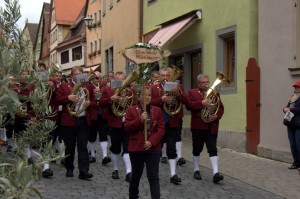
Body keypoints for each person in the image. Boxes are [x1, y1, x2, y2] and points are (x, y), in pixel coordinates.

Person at [125, 86, 165, 199]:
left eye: (149, 95)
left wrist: (152, 142)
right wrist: (139, 120)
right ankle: (133, 196)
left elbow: (161, 129)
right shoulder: (131, 110)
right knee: (136, 175)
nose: (147, 97)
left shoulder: (157, 110)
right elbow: (127, 127)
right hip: (137, 147)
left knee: (153, 176)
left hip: (153, 148)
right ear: (139, 96)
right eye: (144, 95)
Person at [150, 67, 188, 185]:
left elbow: (187, 101)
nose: (165, 78)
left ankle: (173, 174)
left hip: (172, 122)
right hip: (158, 123)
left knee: (171, 148)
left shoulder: (177, 87)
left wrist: (179, 94)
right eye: (163, 76)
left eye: (167, 75)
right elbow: (147, 102)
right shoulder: (153, 88)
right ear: (159, 76)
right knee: (156, 148)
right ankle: (153, 173)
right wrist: (161, 99)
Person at [55, 66, 94, 180]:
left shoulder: (88, 86)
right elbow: (57, 100)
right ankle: (69, 168)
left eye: (80, 74)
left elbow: (93, 101)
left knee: (83, 147)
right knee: (70, 147)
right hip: (69, 121)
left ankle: (83, 171)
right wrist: (68, 97)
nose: (78, 76)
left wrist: (89, 103)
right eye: (75, 74)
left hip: (83, 120)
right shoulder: (64, 86)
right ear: (72, 76)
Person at [186, 73, 224, 184]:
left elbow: (220, 107)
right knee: (197, 148)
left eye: (207, 82)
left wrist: (217, 115)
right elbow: (189, 105)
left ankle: (216, 173)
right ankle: (196, 169)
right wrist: (201, 103)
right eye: (203, 82)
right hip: (198, 125)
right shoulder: (192, 92)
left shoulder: (214, 93)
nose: (206, 84)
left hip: (211, 125)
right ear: (198, 83)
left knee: (213, 149)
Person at [100, 71, 132, 182]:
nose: (121, 82)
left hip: (128, 123)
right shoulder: (108, 90)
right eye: (119, 80)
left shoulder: (130, 91)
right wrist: (110, 99)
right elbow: (101, 102)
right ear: (114, 80)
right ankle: (115, 169)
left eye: (123, 79)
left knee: (128, 148)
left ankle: (129, 172)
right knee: (116, 148)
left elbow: (136, 103)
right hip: (115, 123)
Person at [88, 71, 111, 165]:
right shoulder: (88, 87)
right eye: (95, 78)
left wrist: (100, 100)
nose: (97, 80)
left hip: (103, 115)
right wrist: (95, 100)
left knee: (103, 135)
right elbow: (87, 101)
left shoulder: (105, 88)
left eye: (99, 78)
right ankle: (92, 155)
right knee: (92, 136)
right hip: (92, 115)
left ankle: (105, 155)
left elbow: (109, 100)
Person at [283, 80, 300, 170]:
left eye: (297, 87)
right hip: (290, 123)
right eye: (295, 87)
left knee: (298, 144)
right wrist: (284, 109)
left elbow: (298, 110)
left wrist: (290, 109)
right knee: (292, 144)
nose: (295, 88)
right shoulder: (292, 98)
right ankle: (296, 163)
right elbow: (287, 107)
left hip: (298, 124)